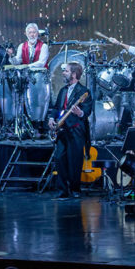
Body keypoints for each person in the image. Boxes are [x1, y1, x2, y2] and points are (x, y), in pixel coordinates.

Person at [48, 62, 92, 199]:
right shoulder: (63, 91)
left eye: (66, 71)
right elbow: (56, 108)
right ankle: (62, 190)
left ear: (74, 74)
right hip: (62, 130)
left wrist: (80, 113)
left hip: (75, 131)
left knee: (75, 161)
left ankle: (75, 189)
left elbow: (87, 111)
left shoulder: (84, 92)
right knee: (60, 159)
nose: (63, 73)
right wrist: (51, 118)